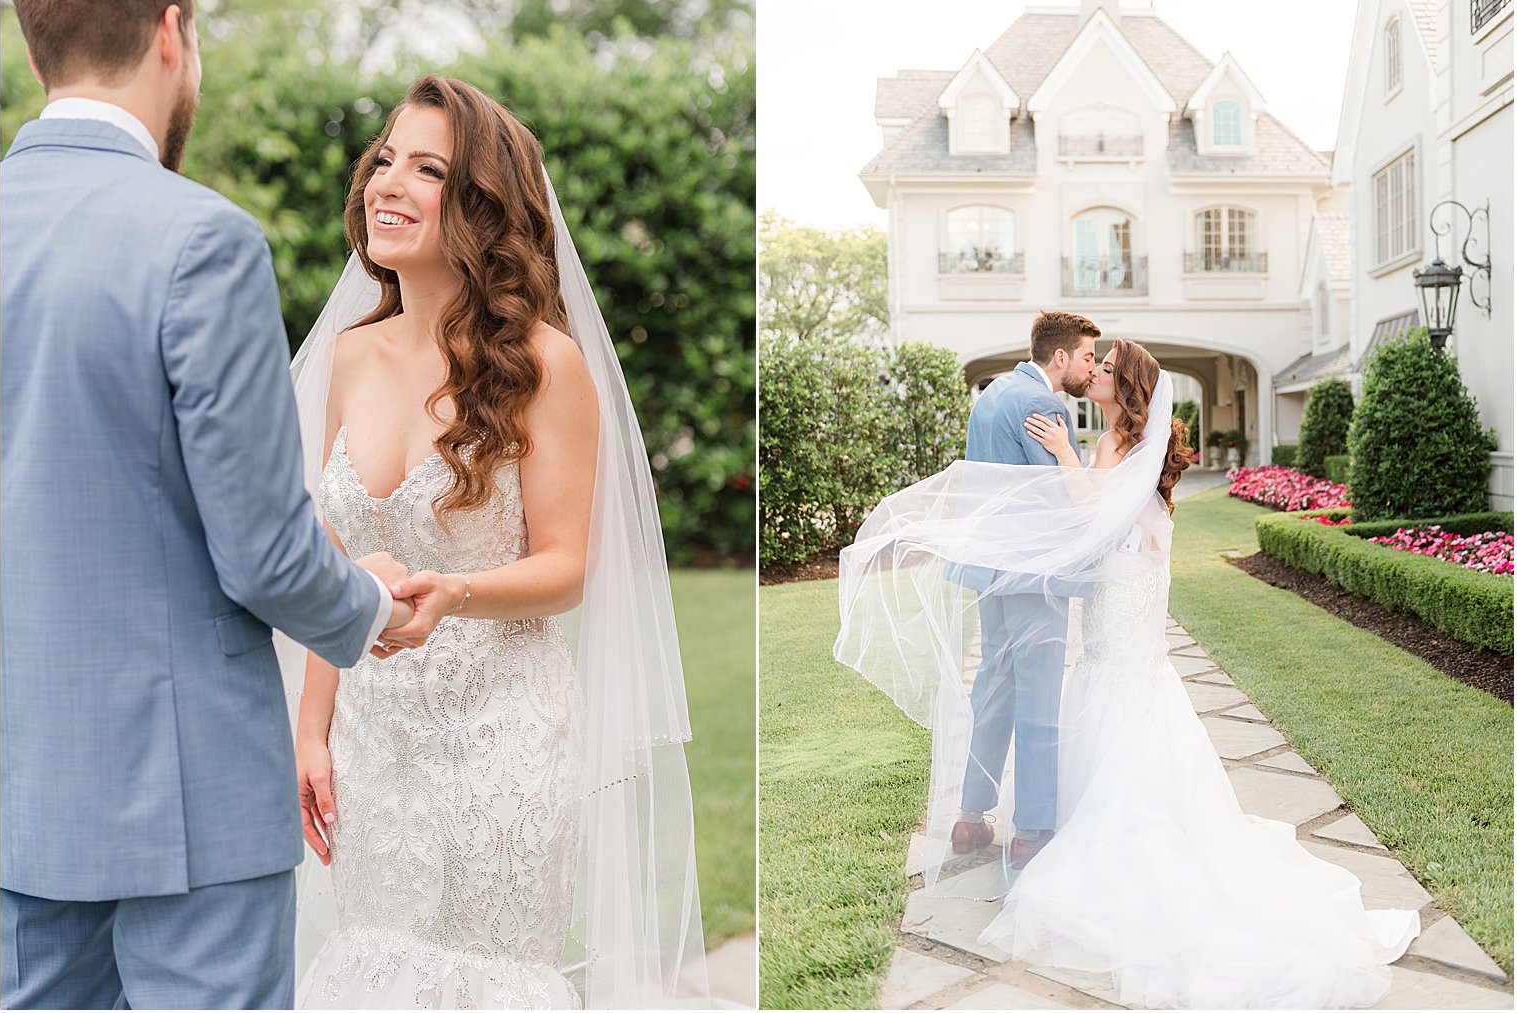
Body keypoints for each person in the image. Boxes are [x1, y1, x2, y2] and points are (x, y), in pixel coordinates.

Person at [0, 0, 445, 1010]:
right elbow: (258, 546)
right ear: (170, 32)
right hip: (186, 802)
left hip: (20, 795)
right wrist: (368, 601)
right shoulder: (201, 241)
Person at [283, 76, 708, 1009]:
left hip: (502, 728)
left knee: (486, 974)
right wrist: (311, 727)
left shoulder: (545, 365)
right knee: (374, 955)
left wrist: (457, 593)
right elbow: (329, 558)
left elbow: (567, 565)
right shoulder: (350, 358)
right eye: (384, 159)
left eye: (426, 168)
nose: (387, 183)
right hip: (372, 732)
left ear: (480, 205)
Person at [836, 339, 1419, 1008]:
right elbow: (1118, 516)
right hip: (1128, 593)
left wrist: (1061, 454)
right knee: (1122, 688)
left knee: (1109, 686)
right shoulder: (1125, 438)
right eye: (1099, 364)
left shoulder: (1114, 439)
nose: (1098, 373)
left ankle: (1113, 837)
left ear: (1129, 389)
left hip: (1122, 593)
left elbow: (1091, 511)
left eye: (1109, 370)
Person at [952, 311, 1098, 869]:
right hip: (1033, 570)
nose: (1090, 366)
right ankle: (1032, 828)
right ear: (1059, 357)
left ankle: (969, 818)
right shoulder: (1045, 404)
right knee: (1039, 694)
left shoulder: (992, 394)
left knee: (993, 684)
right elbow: (1057, 495)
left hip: (991, 566)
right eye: (1087, 356)